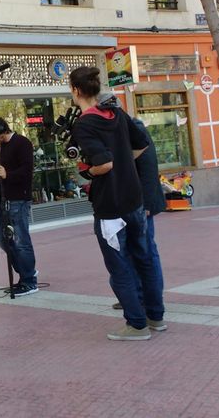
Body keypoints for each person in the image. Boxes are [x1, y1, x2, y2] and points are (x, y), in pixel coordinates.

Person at [69, 66, 164, 341]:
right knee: (145, 259)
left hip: (111, 206)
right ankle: (155, 317)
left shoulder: (85, 123)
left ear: (76, 91)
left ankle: (136, 325)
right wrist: (124, 163)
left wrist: (87, 172)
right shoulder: (116, 113)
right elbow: (142, 144)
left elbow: (104, 163)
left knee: (119, 265)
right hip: (135, 199)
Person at [111, 118, 167, 326]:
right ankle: (142, 299)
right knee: (144, 253)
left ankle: (148, 302)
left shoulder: (135, 137)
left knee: (145, 255)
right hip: (141, 203)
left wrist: (145, 205)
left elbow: (147, 172)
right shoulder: (137, 133)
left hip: (141, 205)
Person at [0, 116, 38, 296]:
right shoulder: (2, 146)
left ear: (0, 131)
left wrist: (8, 174)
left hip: (18, 199)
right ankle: (24, 272)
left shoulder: (22, 143)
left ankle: (29, 280)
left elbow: (28, 171)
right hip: (3, 200)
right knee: (4, 240)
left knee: (20, 241)